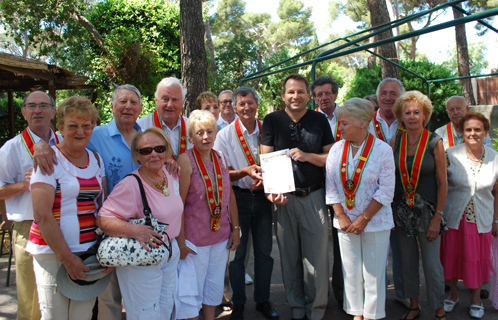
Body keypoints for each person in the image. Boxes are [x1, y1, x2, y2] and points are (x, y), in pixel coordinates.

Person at [27, 96, 108, 320]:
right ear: (60, 127)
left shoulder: (96, 159)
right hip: (52, 253)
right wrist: (67, 258)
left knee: (82, 315)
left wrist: (106, 253)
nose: (80, 131)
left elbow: (101, 208)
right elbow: (42, 215)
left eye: (86, 126)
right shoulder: (49, 159)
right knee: (55, 316)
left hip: (88, 252)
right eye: (72, 126)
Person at [261, 73, 334, 320]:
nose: (296, 96)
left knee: (316, 259)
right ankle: (296, 307)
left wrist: (306, 156)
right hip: (284, 200)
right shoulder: (271, 121)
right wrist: (271, 193)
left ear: (308, 96)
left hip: (314, 198)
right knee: (289, 256)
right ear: (283, 95)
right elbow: (266, 159)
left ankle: (316, 309)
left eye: (301, 91)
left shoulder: (319, 121)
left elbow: (331, 158)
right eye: (291, 92)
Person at [97, 127, 183, 319]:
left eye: (159, 149)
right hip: (142, 257)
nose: (154, 154)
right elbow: (103, 218)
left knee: (165, 309)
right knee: (144, 314)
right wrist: (133, 230)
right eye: (146, 151)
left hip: (169, 252)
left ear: (167, 150)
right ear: (137, 156)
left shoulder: (170, 175)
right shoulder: (131, 184)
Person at [326, 97, 395, 320]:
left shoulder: (382, 150)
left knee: (373, 272)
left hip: (375, 222)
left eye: (345, 123)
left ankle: (372, 314)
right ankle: (356, 312)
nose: (340, 127)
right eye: (340, 122)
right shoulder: (337, 149)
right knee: (351, 270)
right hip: (344, 222)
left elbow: (386, 190)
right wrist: (341, 215)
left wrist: (363, 219)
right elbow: (331, 186)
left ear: (363, 123)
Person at [214, 87, 278, 320]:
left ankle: (263, 300)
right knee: (237, 254)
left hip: (264, 198)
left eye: (250, 103)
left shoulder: (269, 130)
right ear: (234, 106)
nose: (246, 108)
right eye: (241, 104)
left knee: (264, 253)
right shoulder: (225, 135)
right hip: (238, 199)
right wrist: (244, 172)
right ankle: (238, 302)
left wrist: (268, 181)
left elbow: (278, 163)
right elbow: (223, 173)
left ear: (256, 104)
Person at [0, 91, 59, 320]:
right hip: (29, 227)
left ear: (53, 111)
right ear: (23, 112)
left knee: (61, 294)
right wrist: (23, 185)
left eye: (44, 105)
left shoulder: (64, 141)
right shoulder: (11, 148)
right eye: (32, 106)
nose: (38, 110)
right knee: (32, 299)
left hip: (64, 225)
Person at [176, 110, 240, 320]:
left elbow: (229, 196)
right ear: (191, 137)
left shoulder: (219, 156)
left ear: (216, 133)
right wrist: (181, 241)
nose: (205, 137)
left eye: (209, 132)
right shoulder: (186, 160)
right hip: (195, 239)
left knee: (213, 285)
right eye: (199, 132)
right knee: (192, 288)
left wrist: (236, 229)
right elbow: (179, 204)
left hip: (220, 236)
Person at [390, 91, 447, 320]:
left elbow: (443, 182)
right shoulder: (396, 140)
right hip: (402, 211)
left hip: (428, 211)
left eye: (416, 112)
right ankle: (414, 306)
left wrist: (437, 217)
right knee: (407, 261)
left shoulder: (435, 141)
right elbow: (391, 178)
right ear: (401, 117)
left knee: (432, 265)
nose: (412, 116)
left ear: (424, 115)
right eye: (407, 113)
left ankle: (439, 308)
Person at [441, 111, 498, 319]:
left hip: (481, 219)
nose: (473, 133)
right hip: (455, 217)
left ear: (485, 132)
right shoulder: (450, 154)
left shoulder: (495, 158)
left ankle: (476, 299)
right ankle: (453, 295)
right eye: (468, 129)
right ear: (462, 132)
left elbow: (497, 191)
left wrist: (496, 219)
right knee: (453, 257)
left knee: (477, 260)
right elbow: (441, 184)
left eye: (477, 129)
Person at [368, 78, 408, 308]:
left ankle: (402, 293)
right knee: (377, 249)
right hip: (374, 195)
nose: (388, 98)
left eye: (394, 93)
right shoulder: (367, 122)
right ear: (378, 96)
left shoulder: (409, 121)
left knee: (401, 247)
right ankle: (377, 296)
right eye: (384, 93)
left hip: (403, 193)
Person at [310, 75, 344, 306]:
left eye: (327, 93)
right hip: (317, 188)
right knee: (317, 242)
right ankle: (316, 293)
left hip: (346, 190)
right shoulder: (309, 119)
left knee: (343, 243)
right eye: (319, 94)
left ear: (335, 94)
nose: (324, 98)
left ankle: (343, 293)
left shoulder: (348, 116)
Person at [137, 77, 192, 159]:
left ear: (182, 103)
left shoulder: (192, 127)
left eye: (175, 99)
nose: (170, 105)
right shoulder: (140, 127)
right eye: (165, 99)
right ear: (156, 101)